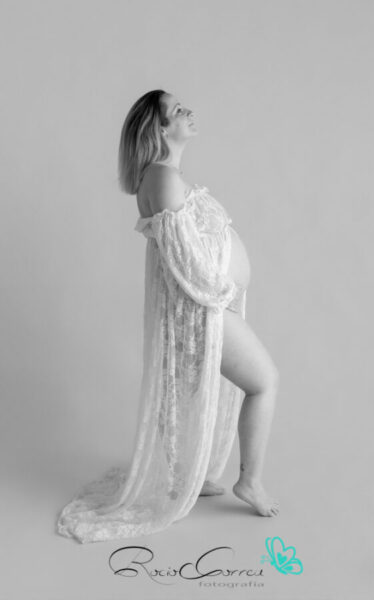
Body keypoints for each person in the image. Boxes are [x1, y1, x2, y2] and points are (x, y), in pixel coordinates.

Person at [56, 90, 279, 544]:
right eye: (177, 110)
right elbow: (186, 262)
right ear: (158, 128)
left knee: (188, 394)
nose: (188, 112)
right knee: (264, 381)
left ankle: (183, 479)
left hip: (205, 308)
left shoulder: (165, 176)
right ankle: (249, 480)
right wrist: (223, 294)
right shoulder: (162, 178)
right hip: (203, 310)